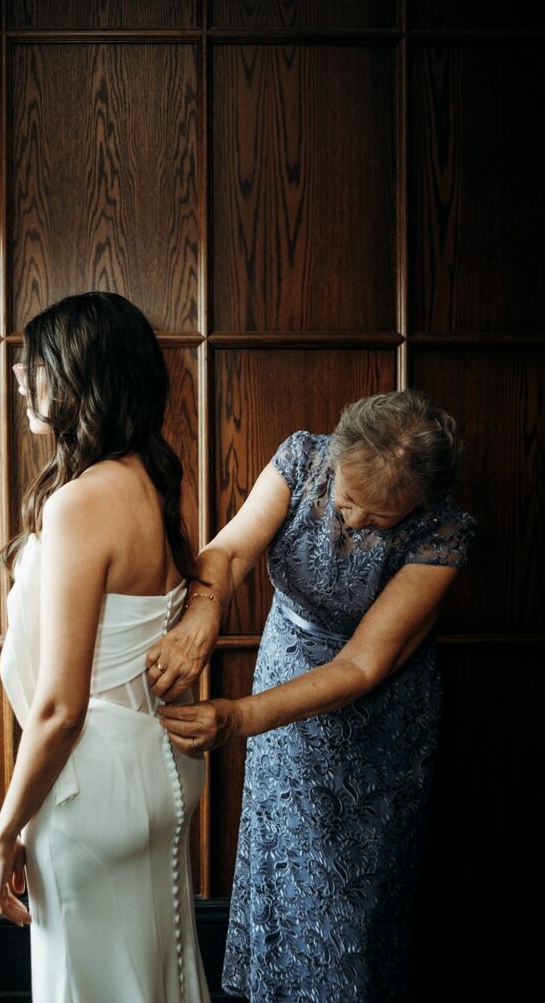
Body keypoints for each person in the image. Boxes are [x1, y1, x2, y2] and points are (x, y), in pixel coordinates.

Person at [148, 390, 477, 1003]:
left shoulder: (447, 531)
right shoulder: (301, 460)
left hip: (382, 715)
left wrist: (240, 717)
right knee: (287, 864)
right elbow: (232, 549)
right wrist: (203, 610)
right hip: (285, 672)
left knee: (360, 895)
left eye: (380, 518)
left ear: (421, 503)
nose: (354, 521)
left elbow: (362, 664)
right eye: (348, 501)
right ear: (337, 453)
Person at [0, 292, 210, 1003]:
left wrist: (5, 830)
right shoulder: (162, 479)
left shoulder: (81, 502)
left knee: (83, 984)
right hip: (159, 764)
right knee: (158, 971)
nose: (22, 378)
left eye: (35, 364)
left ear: (78, 376)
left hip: (90, 783)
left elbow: (59, 707)